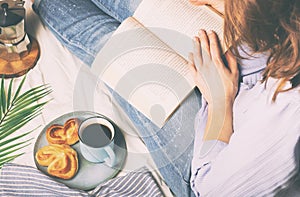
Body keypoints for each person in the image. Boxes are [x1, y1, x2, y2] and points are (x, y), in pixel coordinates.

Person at [32, 0, 300, 196]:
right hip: (262, 54)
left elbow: (208, 187)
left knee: (81, 22)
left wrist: (220, 101)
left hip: (212, 150)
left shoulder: (286, 127)